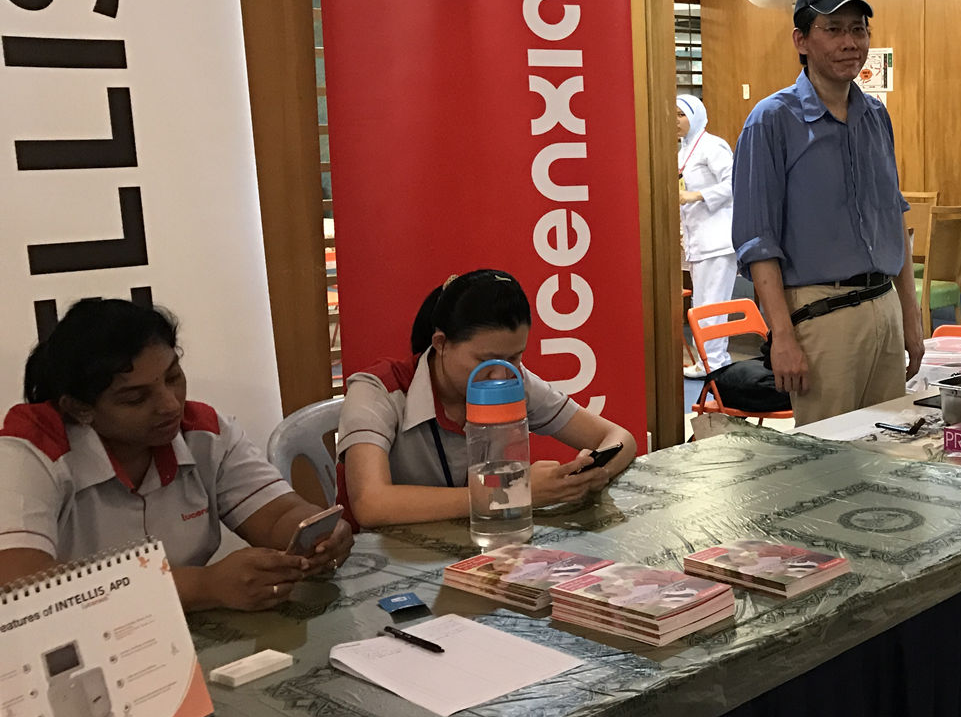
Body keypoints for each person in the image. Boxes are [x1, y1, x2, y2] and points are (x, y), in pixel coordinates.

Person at [0, 298, 355, 611]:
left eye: (173, 377)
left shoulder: (205, 432)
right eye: (136, 398)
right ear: (79, 408)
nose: (170, 405)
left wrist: (318, 534)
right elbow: (23, 588)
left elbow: (278, 516)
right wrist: (204, 587)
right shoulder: (30, 451)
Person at [731, 0, 923, 426]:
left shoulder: (875, 115)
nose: (849, 43)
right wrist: (782, 337)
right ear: (801, 40)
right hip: (821, 316)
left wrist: (910, 318)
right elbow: (758, 243)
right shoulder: (771, 121)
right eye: (833, 29)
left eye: (858, 30)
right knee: (829, 457)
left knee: (889, 450)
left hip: (884, 307)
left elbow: (893, 217)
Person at [337, 269, 636, 527]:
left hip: (481, 547)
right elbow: (371, 503)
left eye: (515, 357)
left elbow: (619, 438)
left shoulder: (514, 380)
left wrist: (593, 473)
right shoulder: (378, 390)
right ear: (441, 343)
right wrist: (514, 492)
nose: (500, 375)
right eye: (485, 360)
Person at [676, 94, 737, 377]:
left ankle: (714, 362)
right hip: (697, 240)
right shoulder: (682, 151)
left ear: (696, 116)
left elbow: (734, 182)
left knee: (713, 306)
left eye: (681, 115)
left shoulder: (712, 146)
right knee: (701, 305)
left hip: (717, 241)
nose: (675, 121)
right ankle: (707, 360)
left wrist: (697, 195)